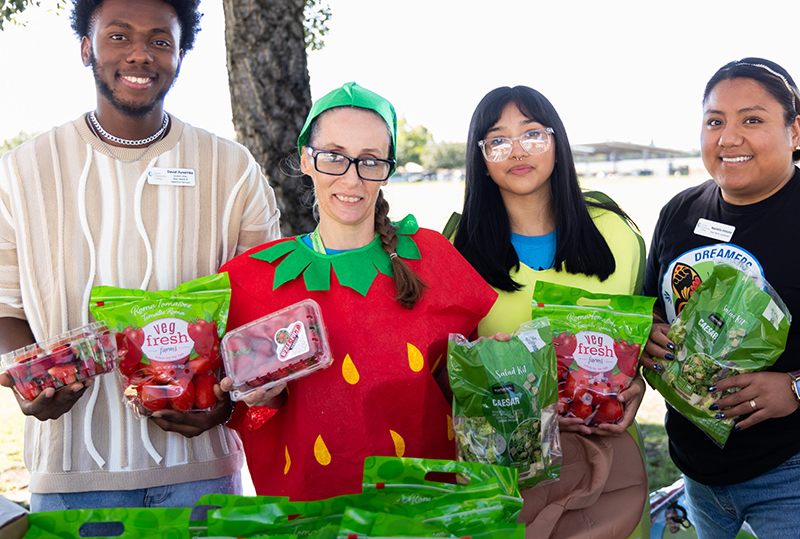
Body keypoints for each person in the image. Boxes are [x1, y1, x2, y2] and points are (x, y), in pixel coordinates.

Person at [0, 0, 281, 511]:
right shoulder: (22, 171)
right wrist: (27, 380)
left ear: (179, 56)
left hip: (203, 472)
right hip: (71, 475)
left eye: (160, 40)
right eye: (118, 35)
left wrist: (226, 403)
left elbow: (265, 312)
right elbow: (4, 307)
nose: (139, 53)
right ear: (86, 47)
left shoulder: (233, 167)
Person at [219, 82, 497, 501]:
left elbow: (463, 385)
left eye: (369, 161)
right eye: (333, 156)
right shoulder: (256, 280)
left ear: (387, 168)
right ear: (306, 160)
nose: (351, 177)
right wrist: (265, 398)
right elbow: (246, 414)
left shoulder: (431, 258)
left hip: (422, 503)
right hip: (312, 508)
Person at [451, 86, 650, 539]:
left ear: (558, 144)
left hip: (608, 467)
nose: (517, 150)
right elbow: (442, 372)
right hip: (509, 473)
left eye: (533, 134)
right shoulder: (455, 249)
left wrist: (638, 381)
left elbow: (646, 340)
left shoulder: (616, 232)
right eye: (497, 140)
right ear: (480, 158)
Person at [641, 57, 800, 539]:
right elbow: (651, 307)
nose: (728, 138)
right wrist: (645, 336)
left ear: (795, 131)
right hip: (696, 470)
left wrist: (794, 387)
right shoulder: (680, 211)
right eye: (715, 121)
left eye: (752, 119)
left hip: (789, 471)